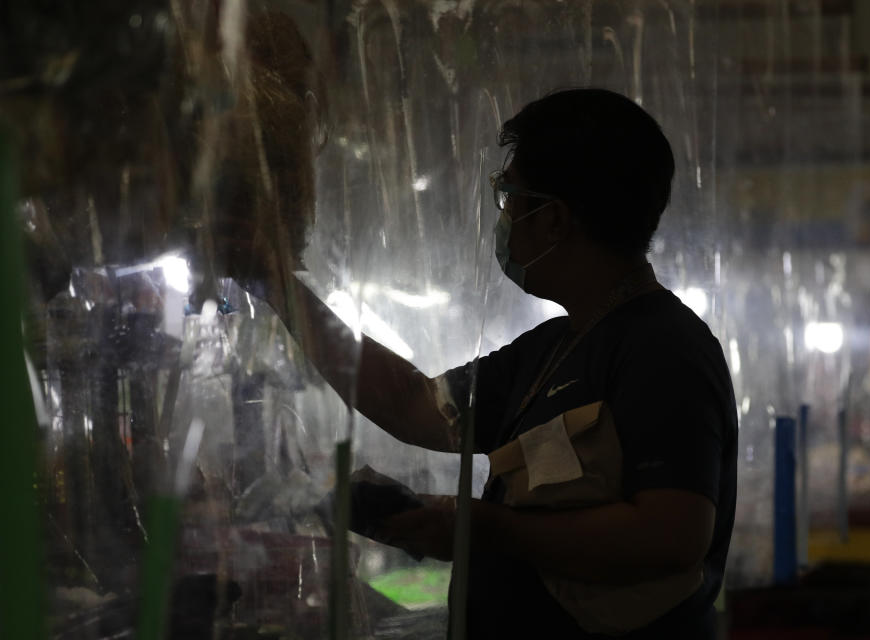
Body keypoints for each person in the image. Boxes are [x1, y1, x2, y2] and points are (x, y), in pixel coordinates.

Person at [246, 88, 738, 638]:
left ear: (553, 218)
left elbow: (669, 537)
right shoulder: (553, 348)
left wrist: (480, 528)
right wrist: (277, 285)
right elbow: (411, 403)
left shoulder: (664, 350)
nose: (502, 218)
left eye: (509, 194)